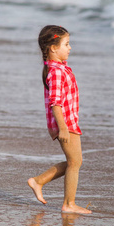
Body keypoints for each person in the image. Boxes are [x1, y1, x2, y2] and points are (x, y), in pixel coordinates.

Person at [28, 25, 92, 214]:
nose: (70, 47)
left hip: (68, 121)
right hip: (65, 123)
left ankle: (38, 181)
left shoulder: (59, 69)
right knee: (74, 162)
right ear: (53, 48)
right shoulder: (56, 72)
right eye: (66, 44)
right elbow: (55, 103)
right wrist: (63, 128)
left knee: (75, 161)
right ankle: (69, 204)